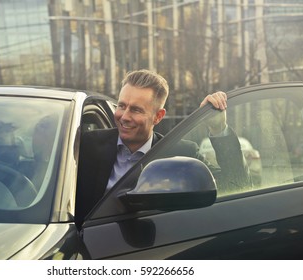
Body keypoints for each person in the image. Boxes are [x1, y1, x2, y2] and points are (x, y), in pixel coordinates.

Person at [75, 69, 250, 226]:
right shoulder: (86, 146)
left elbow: (236, 183)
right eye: (121, 106)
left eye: (136, 110)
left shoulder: (182, 153)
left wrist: (218, 129)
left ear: (158, 116)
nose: (124, 116)